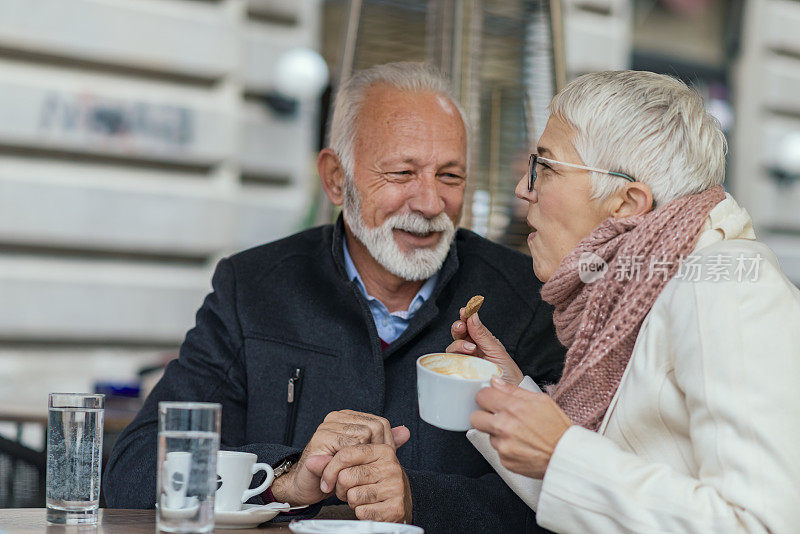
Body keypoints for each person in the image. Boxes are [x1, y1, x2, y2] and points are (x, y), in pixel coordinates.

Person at [103, 62, 564, 533]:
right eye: (402, 172)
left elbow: (566, 496)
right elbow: (136, 469)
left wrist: (417, 498)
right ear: (335, 179)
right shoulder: (255, 288)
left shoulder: (527, 300)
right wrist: (282, 479)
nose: (429, 203)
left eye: (450, 176)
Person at [447, 70, 800, 533]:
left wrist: (561, 454)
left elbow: (763, 524)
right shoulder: (642, 291)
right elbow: (600, 494)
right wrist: (507, 395)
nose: (523, 189)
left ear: (627, 203)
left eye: (546, 167)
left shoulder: (725, 283)